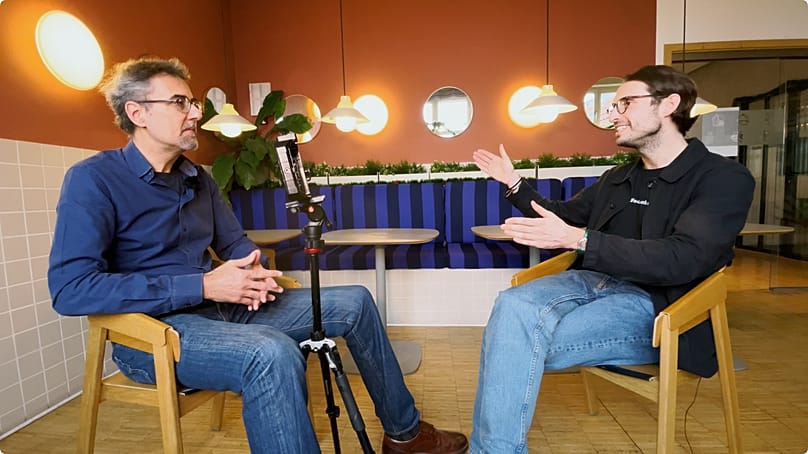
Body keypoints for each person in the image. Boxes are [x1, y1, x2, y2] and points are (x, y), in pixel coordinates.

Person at [47, 56, 468, 454]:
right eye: (180, 103)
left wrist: (256, 270)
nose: (195, 113)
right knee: (270, 353)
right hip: (153, 332)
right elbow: (71, 291)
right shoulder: (92, 180)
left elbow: (236, 245)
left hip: (223, 307)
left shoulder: (198, 180)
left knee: (354, 300)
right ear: (137, 113)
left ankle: (405, 435)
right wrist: (204, 283)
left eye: (192, 102)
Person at [469, 65, 755, 452]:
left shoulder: (722, 179)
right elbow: (561, 215)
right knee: (511, 306)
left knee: (512, 343)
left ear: (669, 104)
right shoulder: (617, 179)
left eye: (625, 103)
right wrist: (515, 184)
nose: (612, 115)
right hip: (590, 281)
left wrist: (580, 239)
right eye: (613, 105)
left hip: (658, 304)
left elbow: (684, 258)